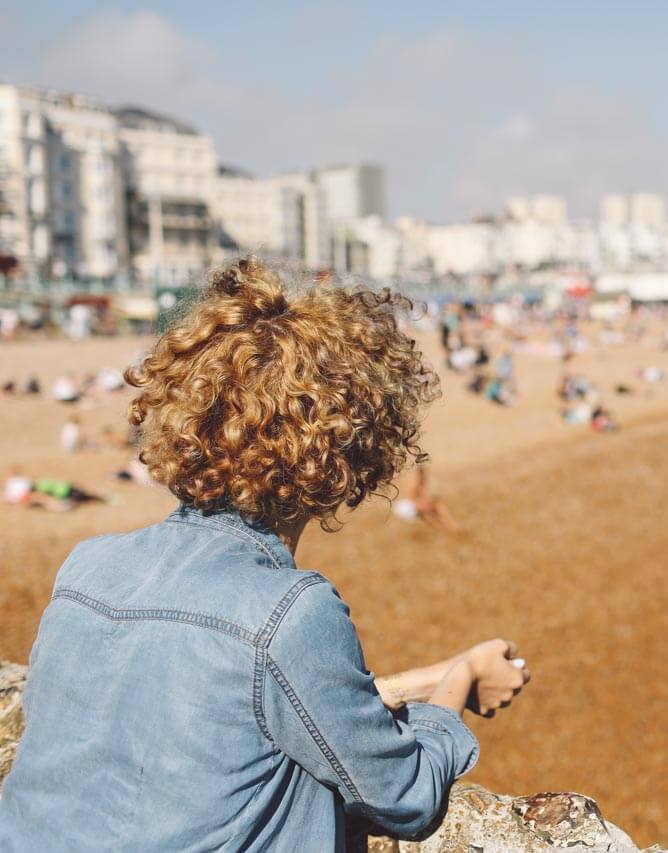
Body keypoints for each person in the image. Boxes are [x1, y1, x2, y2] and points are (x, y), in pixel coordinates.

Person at [0, 258, 530, 850]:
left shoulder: (86, 566)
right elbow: (404, 796)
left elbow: (235, 706)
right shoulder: (291, 611)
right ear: (353, 451)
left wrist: (423, 678)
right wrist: (461, 679)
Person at [393, 463, 461, 533]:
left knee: (433, 505)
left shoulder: (420, 481)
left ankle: (448, 527)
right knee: (433, 507)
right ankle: (448, 527)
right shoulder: (415, 482)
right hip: (408, 506)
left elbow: (423, 496)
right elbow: (412, 498)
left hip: (414, 504)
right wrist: (424, 504)